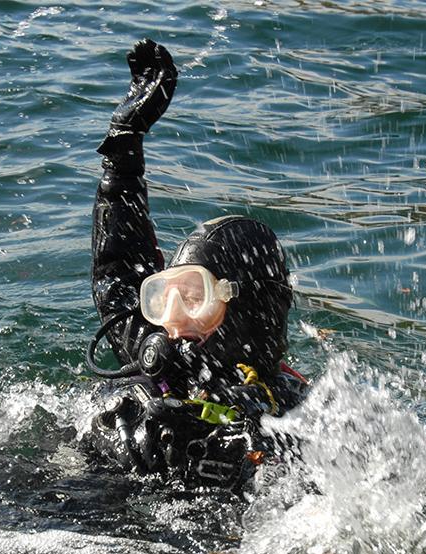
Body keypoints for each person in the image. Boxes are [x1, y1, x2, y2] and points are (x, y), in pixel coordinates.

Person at [83, 39, 308, 492]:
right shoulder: (163, 365)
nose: (173, 320)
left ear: (248, 310)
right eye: (165, 296)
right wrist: (122, 150)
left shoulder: (299, 416)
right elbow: (120, 273)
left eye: (193, 298)